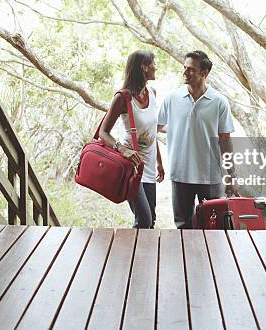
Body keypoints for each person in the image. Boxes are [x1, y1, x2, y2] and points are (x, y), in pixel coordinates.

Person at [158, 50, 237, 229]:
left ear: (204, 73)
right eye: (184, 67)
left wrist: (232, 175)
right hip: (180, 174)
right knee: (183, 227)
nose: (185, 72)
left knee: (214, 227)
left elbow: (225, 140)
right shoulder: (171, 99)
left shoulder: (219, 102)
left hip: (210, 176)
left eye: (191, 69)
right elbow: (151, 130)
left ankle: (211, 258)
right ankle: (185, 258)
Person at [100, 51, 165, 228]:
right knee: (143, 220)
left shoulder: (152, 92)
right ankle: (128, 255)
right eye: (153, 63)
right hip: (131, 168)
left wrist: (159, 161)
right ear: (144, 67)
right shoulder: (123, 98)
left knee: (150, 220)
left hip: (149, 167)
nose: (155, 67)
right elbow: (103, 132)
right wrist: (122, 149)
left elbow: (151, 132)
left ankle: (144, 255)